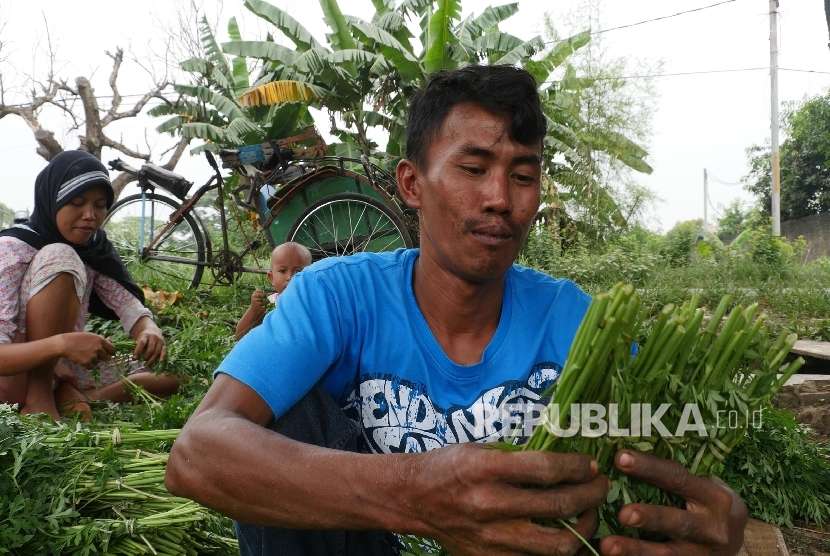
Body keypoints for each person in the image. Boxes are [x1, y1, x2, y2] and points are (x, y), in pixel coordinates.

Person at [165, 65, 747, 556]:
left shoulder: (579, 323)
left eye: (523, 174)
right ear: (412, 184)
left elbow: (668, 454)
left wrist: (711, 515)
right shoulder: (335, 295)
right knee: (280, 419)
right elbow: (198, 452)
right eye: (473, 169)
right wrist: (417, 494)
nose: (501, 198)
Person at [0, 150, 183, 421]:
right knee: (60, 254)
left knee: (172, 375)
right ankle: (39, 398)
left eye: (99, 205)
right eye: (76, 202)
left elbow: (127, 304)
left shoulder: (91, 250)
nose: (89, 215)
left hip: (61, 365)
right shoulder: (12, 250)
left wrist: (149, 329)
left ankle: (78, 395)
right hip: (13, 376)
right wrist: (60, 345)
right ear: (52, 200)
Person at [235, 242, 312, 341]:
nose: (290, 277)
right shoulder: (269, 303)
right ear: (272, 278)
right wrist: (254, 310)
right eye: (283, 271)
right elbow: (240, 336)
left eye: (297, 272)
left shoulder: (311, 302)